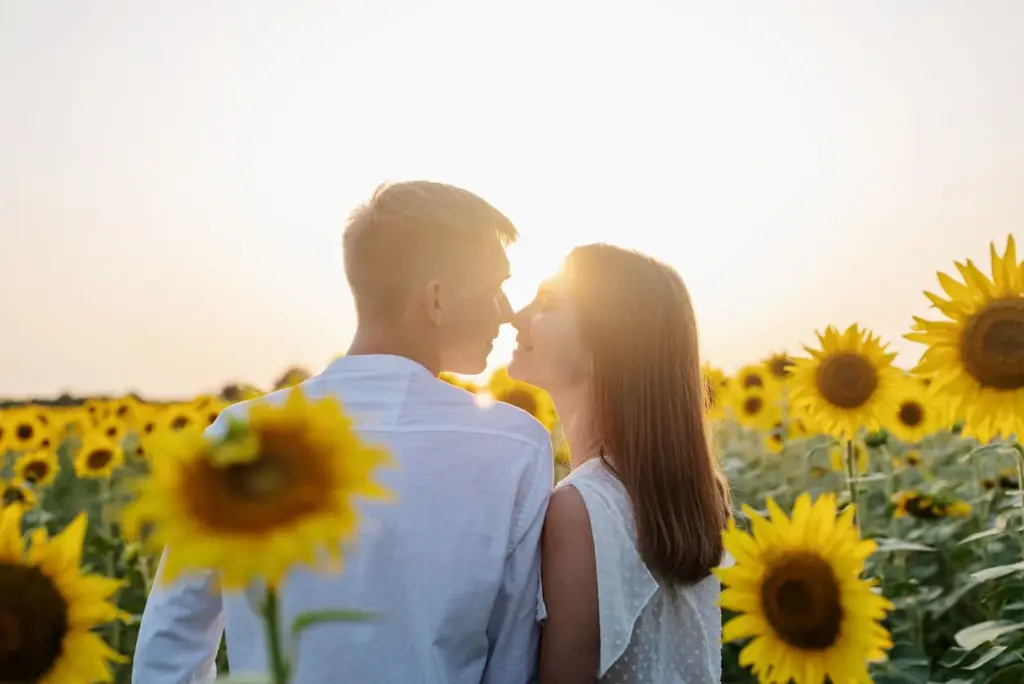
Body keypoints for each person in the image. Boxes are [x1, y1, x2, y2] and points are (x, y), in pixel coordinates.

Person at [132, 181, 555, 684]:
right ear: (437, 299)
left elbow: (173, 637)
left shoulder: (243, 433)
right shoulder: (514, 446)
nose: (507, 312)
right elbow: (511, 659)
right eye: (494, 289)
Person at [508, 244, 731, 684]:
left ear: (603, 349)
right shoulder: (685, 493)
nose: (517, 317)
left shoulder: (583, 508)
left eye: (547, 303)